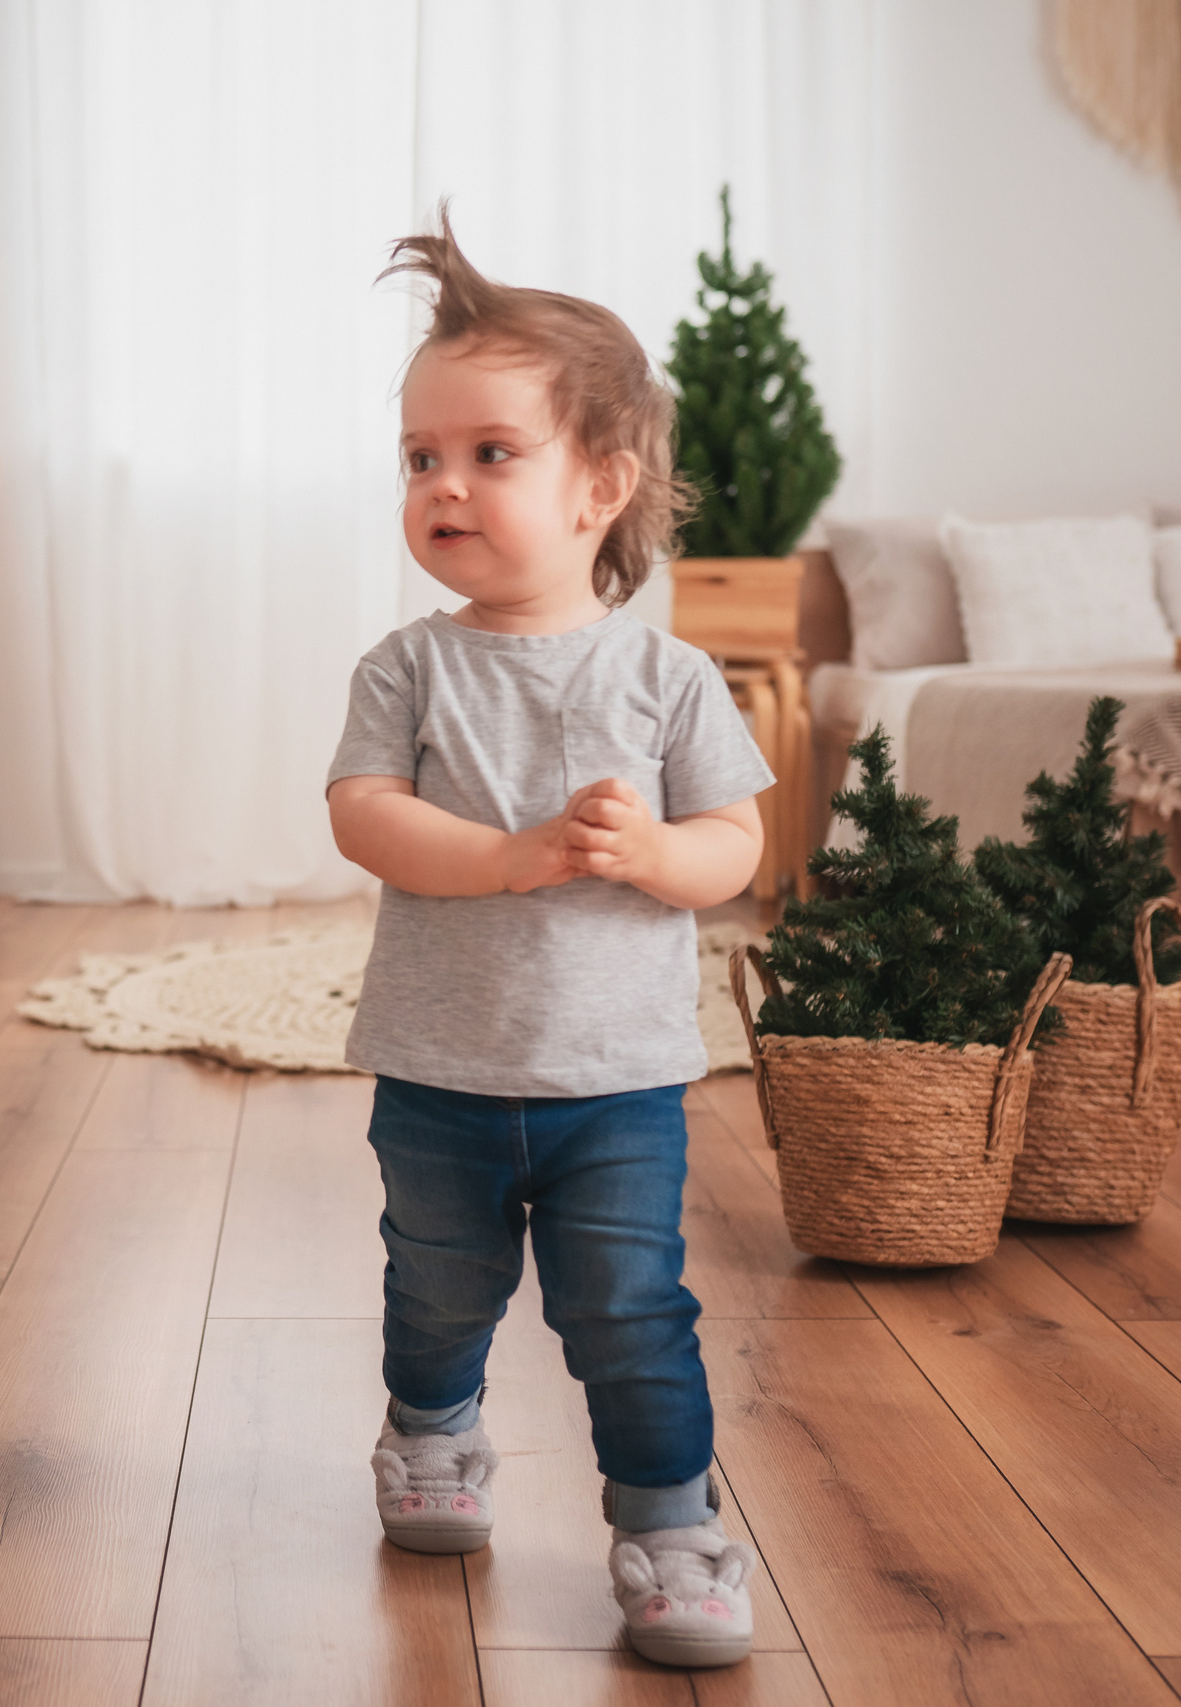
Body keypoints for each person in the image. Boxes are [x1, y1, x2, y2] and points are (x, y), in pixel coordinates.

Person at [325, 214, 773, 1670]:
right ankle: (434, 1429)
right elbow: (365, 818)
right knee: (436, 1284)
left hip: (617, 1082)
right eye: (418, 456)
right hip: (443, 1070)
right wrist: (516, 857)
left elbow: (739, 842)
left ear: (602, 483)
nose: (442, 483)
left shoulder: (668, 673)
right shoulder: (409, 665)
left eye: (488, 452)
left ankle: (672, 1527)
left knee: (631, 1306)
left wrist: (655, 854)